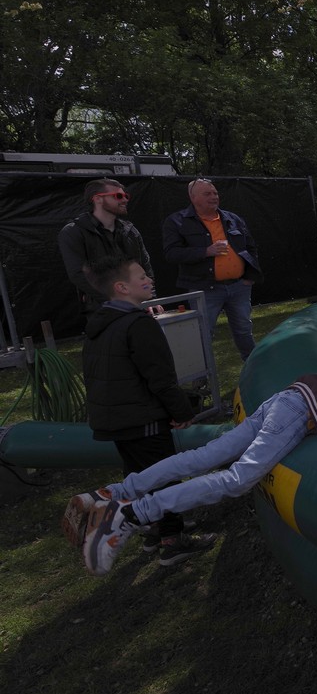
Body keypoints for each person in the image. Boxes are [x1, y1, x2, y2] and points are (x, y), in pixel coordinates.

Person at [70, 322, 317, 576]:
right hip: (297, 414)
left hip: (285, 399)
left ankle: (113, 492)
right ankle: (131, 514)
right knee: (237, 479)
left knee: (203, 457)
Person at [61, 255, 205, 565]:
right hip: (143, 420)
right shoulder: (139, 324)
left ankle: (152, 528)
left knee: (137, 475)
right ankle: (172, 538)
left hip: (116, 422)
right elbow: (161, 378)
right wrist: (181, 412)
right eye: (141, 276)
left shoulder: (100, 325)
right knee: (163, 476)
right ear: (122, 287)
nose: (149, 280)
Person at [162, 178, 262, 360]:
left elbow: (250, 247)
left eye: (215, 193)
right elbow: (172, 253)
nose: (214, 197)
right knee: (203, 333)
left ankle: (254, 367)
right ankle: (204, 375)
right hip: (204, 289)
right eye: (207, 193)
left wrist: (249, 277)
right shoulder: (177, 221)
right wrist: (205, 251)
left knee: (244, 329)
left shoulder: (232, 219)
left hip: (239, 286)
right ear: (193, 197)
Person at [57, 178, 155, 312]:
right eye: (118, 196)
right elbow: (78, 275)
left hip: (138, 306)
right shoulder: (73, 232)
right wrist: (117, 301)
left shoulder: (130, 231)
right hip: (103, 310)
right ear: (98, 199)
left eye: (126, 196)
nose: (125, 200)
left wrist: (149, 299)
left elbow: (145, 267)